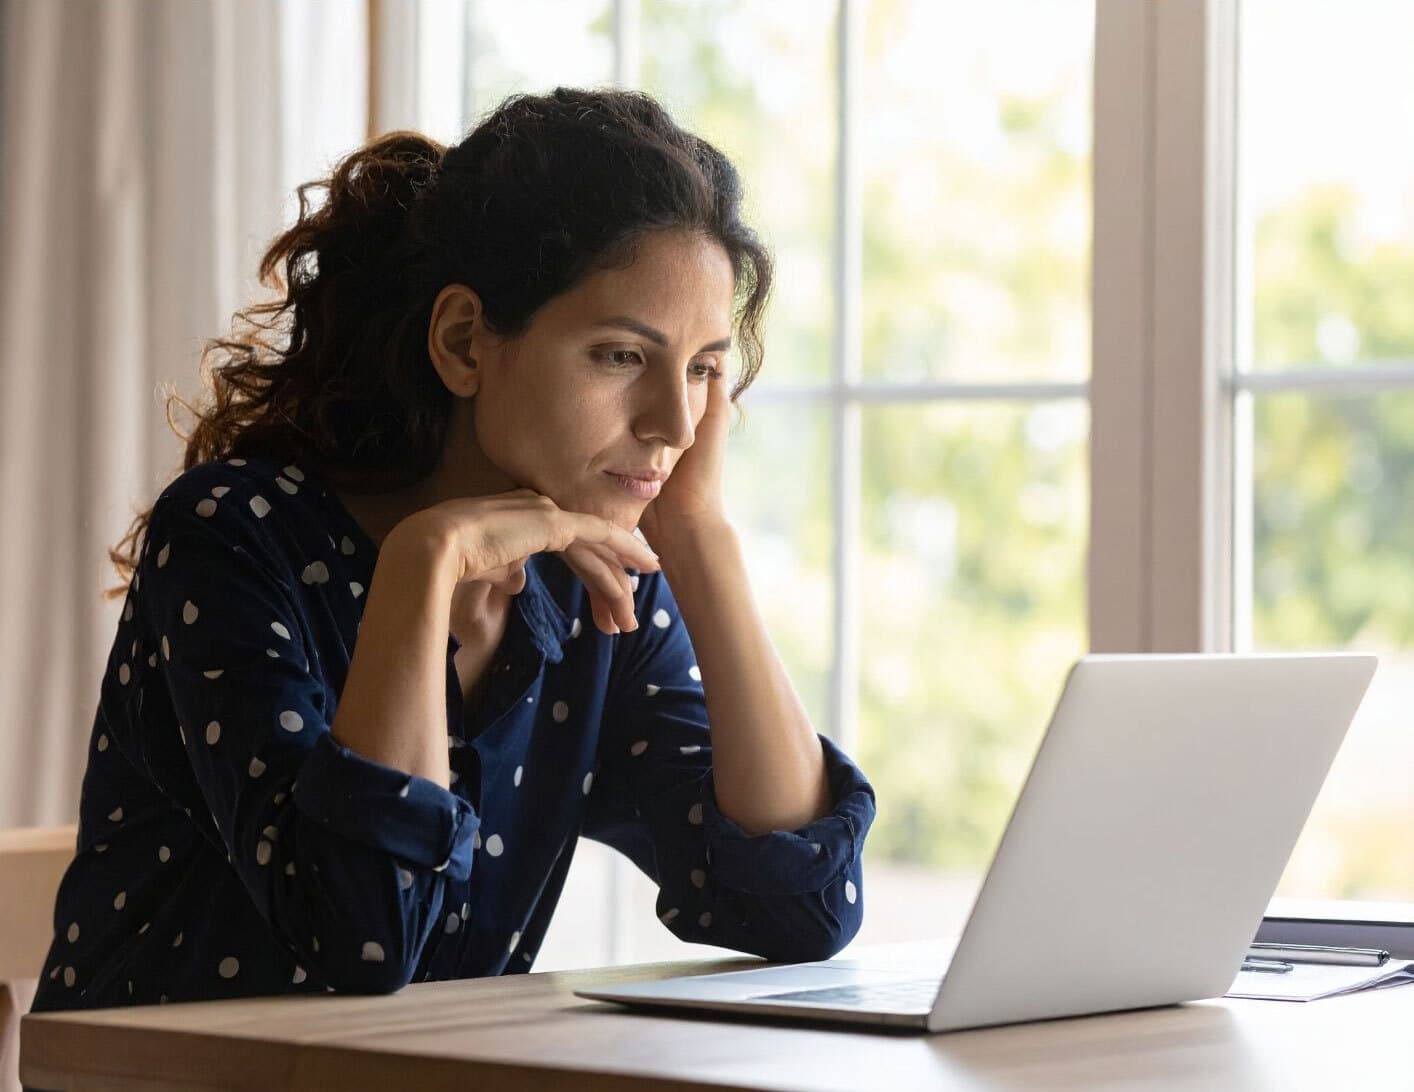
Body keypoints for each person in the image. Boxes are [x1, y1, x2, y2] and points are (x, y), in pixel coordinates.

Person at [31, 87, 877, 1012]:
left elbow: (800, 910)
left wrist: (701, 538)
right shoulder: (235, 535)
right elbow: (366, 935)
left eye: (705, 369)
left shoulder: (593, 584)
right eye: (622, 357)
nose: (675, 422)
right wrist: (425, 564)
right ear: (465, 342)